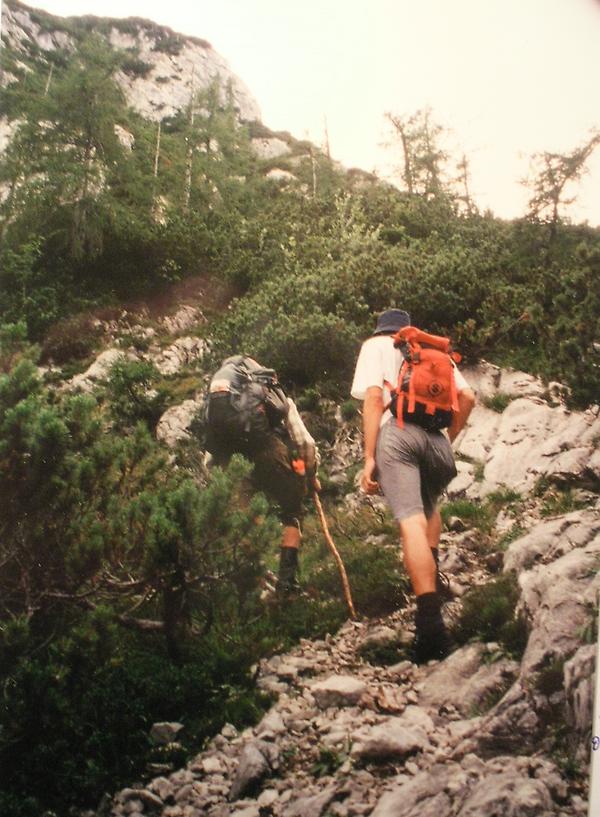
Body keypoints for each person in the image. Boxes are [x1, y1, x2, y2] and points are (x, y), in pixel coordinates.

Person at [351, 309, 475, 662]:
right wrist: (446, 439)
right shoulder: (425, 349)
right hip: (437, 441)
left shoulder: (375, 346)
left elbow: (374, 400)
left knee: (410, 522)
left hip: (398, 435)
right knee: (430, 508)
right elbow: (468, 399)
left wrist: (369, 457)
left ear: (380, 328)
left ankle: (431, 628)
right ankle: (432, 585)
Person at [205, 355, 319, 594]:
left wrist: (221, 480)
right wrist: (310, 476)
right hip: (268, 452)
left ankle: (252, 584)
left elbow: (209, 456)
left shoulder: (218, 402)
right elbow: (304, 442)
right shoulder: (270, 392)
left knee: (243, 522)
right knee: (293, 511)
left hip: (230, 461)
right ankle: (287, 584)